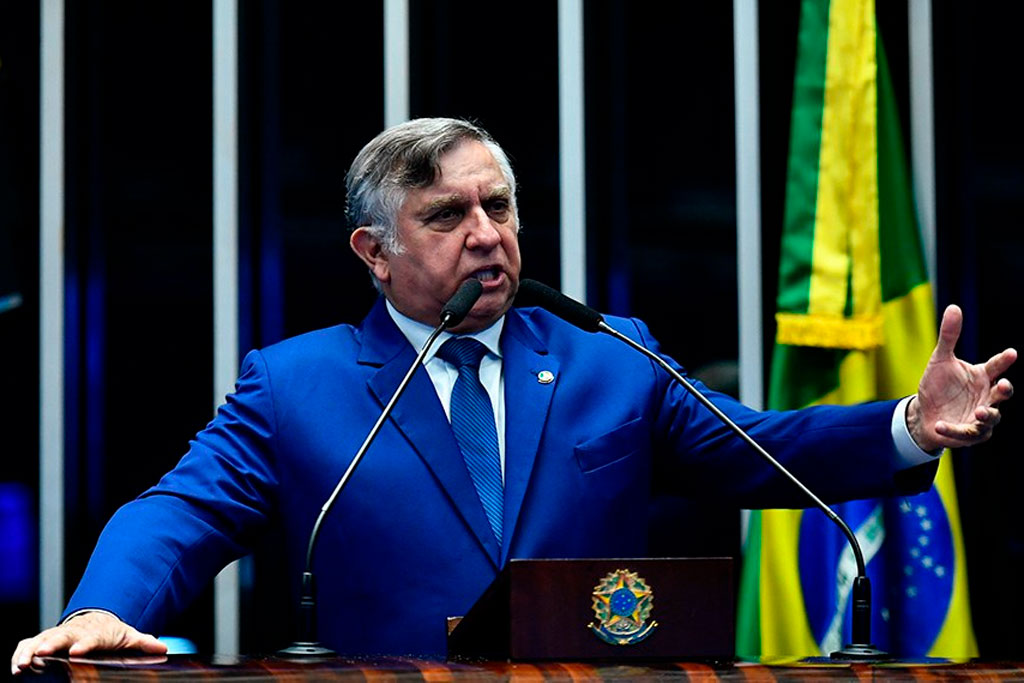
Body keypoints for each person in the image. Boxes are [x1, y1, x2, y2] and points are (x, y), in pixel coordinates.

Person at [12, 118, 1016, 672]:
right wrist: (104, 605)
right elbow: (180, 510)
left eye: (499, 204)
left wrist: (905, 425)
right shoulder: (297, 384)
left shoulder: (608, 354)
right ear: (375, 251)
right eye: (448, 213)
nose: (487, 232)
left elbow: (758, 449)